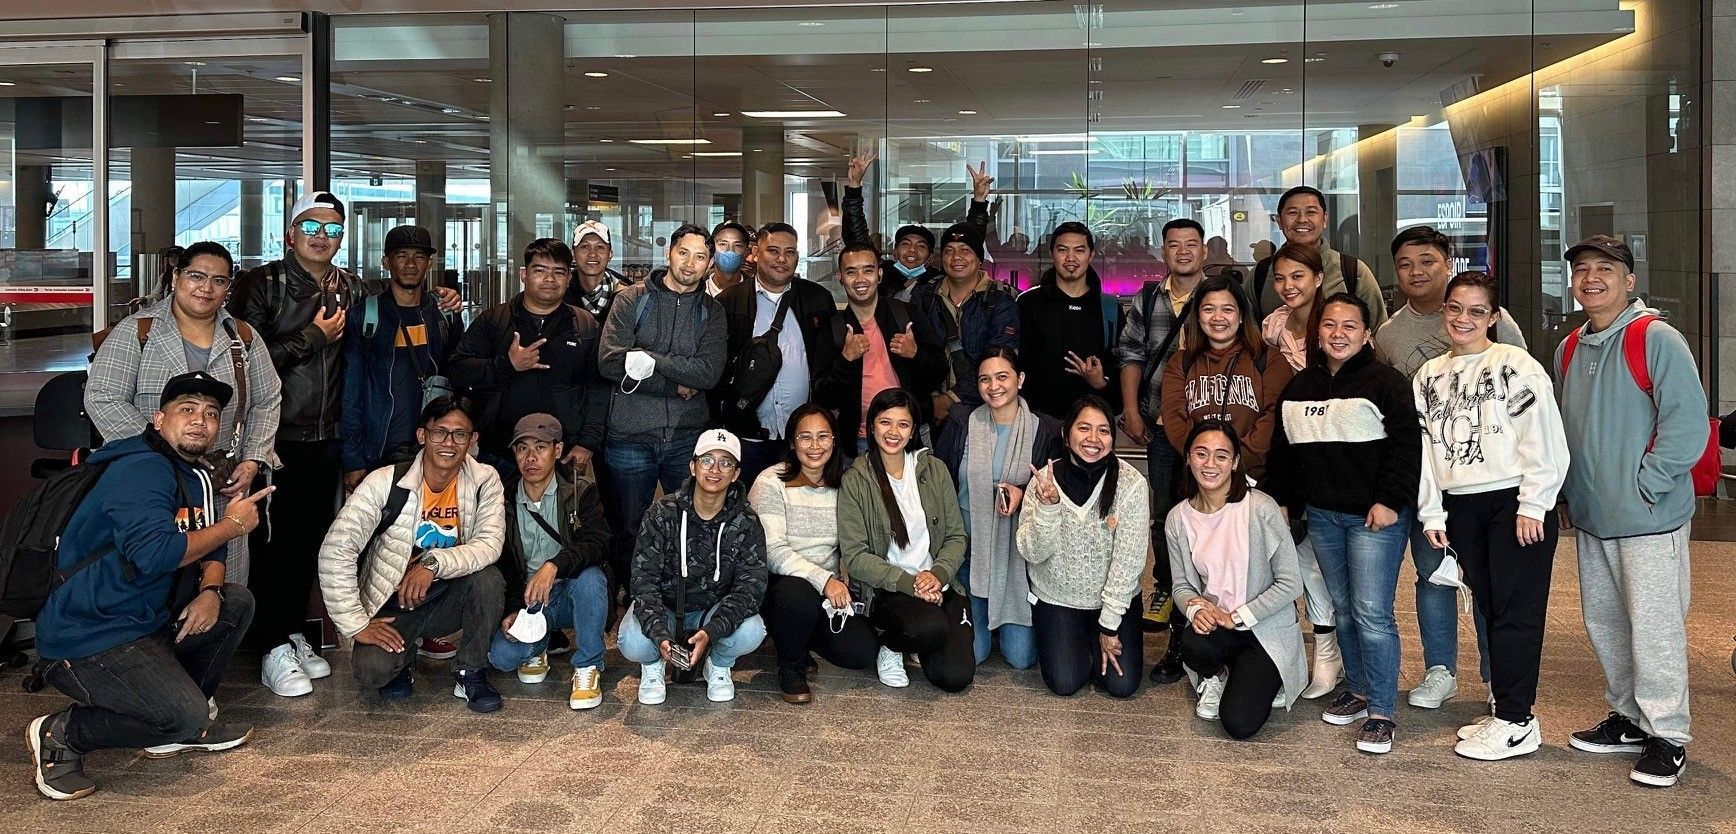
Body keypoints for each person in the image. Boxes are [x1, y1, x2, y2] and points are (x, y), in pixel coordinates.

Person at [229, 190, 459, 698]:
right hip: (274, 435)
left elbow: (395, 299)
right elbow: (240, 357)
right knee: (272, 543)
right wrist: (309, 337)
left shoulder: (349, 288)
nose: (322, 237)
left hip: (326, 435)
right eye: (312, 227)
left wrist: (439, 296)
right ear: (291, 233)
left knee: (310, 539)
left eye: (334, 230)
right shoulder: (262, 284)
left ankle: (289, 633)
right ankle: (269, 645)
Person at [28, 373, 268, 801]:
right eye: (187, 410)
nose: (201, 421)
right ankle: (62, 733)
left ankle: (175, 723)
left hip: (143, 623)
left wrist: (210, 591)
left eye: (211, 414)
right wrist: (233, 526)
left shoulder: (193, 473)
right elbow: (155, 556)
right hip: (89, 636)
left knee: (234, 603)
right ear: (158, 420)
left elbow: (205, 542)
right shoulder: (142, 469)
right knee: (182, 715)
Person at [1555, 235, 1706, 788]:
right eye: (1581, 270)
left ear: (1629, 280)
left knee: (1655, 627)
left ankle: (1667, 733)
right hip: (1594, 516)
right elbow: (1567, 433)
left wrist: (1650, 484)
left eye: (1605, 269)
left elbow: (1687, 424)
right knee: (1607, 623)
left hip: (1650, 516)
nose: (1591, 278)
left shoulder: (1656, 338)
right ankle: (1628, 718)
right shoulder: (1569, 348)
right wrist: (1570, 493)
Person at [1415, 271, 1568, 761]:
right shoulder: (1427, 375)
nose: (1464, 319)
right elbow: (1426, 452)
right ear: (1444, 311)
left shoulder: (1516, 365)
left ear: (1494, 317)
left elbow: (1545, 440)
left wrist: (1533, 503)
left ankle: (1518, 720)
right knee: (1491, 606)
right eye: (1455, 308)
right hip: (1462, 505)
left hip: (1514, 503)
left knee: (1517, 612)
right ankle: (1506, 709)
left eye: (1476, 311)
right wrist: (1432, 511)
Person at [1374, 226, 1524, 712]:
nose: (1416, 272)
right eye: (1405, 264)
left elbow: (1523, 399)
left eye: (1427, 261)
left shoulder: (1497, 324)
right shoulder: (1390, 334)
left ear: (1448, 263)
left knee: (1487, 578)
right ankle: (1441, 670)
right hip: (1427, 478)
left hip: (1489, 479)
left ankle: (1494, 674)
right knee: (1433, 573)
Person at [1266, 292, 1421, 754]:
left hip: (1374, 517)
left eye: (1349, 325)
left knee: (1373, 612)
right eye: (1330, 325)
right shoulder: (1300, 387)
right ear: (1318, 333)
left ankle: (1381, 710)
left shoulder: (1387, 383)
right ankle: (1356, 689)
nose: (1338, 333)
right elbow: (1285, 453)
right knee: (1343, 607)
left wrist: (1390, 500)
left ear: (1367, 333)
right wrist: (1283, 501)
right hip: (1323, 516)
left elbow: (1407, 446)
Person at [85, 242, 282, 584]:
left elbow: (268, 399)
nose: (206, 288)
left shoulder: (244, 338)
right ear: (176, 277)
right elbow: (102, 396)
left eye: (219, 281)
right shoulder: (138, 331)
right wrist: (164, 452)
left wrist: (252, 460)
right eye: (196, 276)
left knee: (224, 587)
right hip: (151, 482)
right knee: (154, 577)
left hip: (222, 484)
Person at [315, 395, 508, 713]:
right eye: (439, 432)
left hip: (447, 594)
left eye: (459, 434)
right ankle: (402, 659)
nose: (448, 443)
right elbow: (336, 550)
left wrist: (432, 563)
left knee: (488, 579)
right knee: (372, 672)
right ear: (422, 435)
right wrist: (356, 624)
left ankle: (470, 671)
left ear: (472, 440)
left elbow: (489, 544)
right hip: (393, 603)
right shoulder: (385, 481)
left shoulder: (484, 480)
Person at [598, 223, 730, 585]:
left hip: (686, 439)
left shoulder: (711, 312)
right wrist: (674, 386)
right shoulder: (631, 300)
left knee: (690, 523)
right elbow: (610, 361)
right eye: (683, 253)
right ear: (669, 253)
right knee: (630, 526)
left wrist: (646, 358)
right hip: (630, 435)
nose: (690, 264)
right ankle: (631, 593)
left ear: (709, 264)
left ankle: (679, 593)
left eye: (700, 257)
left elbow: (707, 374)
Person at [1166, 421, 1305, 740]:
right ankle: (1217, 674)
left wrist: (1236, 617)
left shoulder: (1260, 508)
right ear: (1188, 458)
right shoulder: (1178, 519)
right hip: (1218, 627)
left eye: (1220, 455)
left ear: (1235, 462)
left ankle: (1272, 675)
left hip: (1262, 628)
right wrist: (1194, 611)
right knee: (1192, 640)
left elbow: (1290, 583)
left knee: (1239, 724)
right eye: (1201, 454)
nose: (1210, 464)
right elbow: (1181, 586)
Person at [837, 388, 974, 693]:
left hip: (938, 583)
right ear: (872, 426)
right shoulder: (856, 479)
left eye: (903, 424)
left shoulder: (934, 470)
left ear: (914, 430)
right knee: (929, 627)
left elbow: (955, 536)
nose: (894, 432)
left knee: (955, 677)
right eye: (886, 422)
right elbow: (856, 556)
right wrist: (912, 584)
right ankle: (892, 644)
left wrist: (936, 576)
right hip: (891, 589)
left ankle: (922, 632)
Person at [618, 429, 768, 705]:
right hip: (666, 606)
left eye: (726, 463)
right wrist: (659, 633)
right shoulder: (662, 513)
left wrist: (713, 631)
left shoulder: (747, 521)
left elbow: (751, 589)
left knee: (752, 630)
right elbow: (643, 580)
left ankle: (719, 664)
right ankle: (653, 667)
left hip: (712, 609)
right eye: (707, 460)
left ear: (735, 474)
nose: (715, 469)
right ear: (693, 466)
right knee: (631, 641)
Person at [1117, 218, 1206, 673]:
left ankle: (1206, 604)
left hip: (1212, 433)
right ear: (1163, 252)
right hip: (1160, 429)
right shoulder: (1148, 297)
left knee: (1212, 518)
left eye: (1192, 244)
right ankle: (1167, 587)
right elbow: (1131, 354)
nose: (1184, 252)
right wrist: (1131, 411)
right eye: (1174, 245)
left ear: (1205, 251)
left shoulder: (1221, 297)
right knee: (1165, 513)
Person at [933, 348, 1059, 668]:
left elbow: (1054, 487)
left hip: (1015, 557)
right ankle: (979, 617)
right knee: (973, 656)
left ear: (1020, 379)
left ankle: (1003, 618)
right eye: (984, 379)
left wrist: (1025, 494)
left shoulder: (1043, 429)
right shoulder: (962, 423)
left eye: (1002, 377)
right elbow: (940, 481)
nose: (994, 386)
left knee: (1020, 658)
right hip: (968, 553)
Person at [1017, 395, 1149, 697]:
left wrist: (1109, 625)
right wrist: (1048, 508)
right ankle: (1078, 643)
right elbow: (1031, 552)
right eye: (1084, 428)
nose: (1093, 439)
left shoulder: (1131, 484)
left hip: (1114, 603)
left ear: (1113, 439)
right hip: (1058, 599)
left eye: (1103, 431)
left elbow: (1128, 563)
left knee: (1122, 685)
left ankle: (1093, 637)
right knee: (1064, 683)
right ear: (1066, 435)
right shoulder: (1044, 480)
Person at [1255, 241, 1341, 699]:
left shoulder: (1337, 321)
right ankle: (1307, 648)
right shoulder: (1271, 327)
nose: (1289, 287)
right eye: (1281, 279)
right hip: (1290, 451)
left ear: (1318, 278)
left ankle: (1334, 649)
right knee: (1295, 556)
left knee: (1327, 560)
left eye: (1298, 277)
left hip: (1334, 455)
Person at [749, 407, 878, 703]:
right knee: (798, 595)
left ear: (834, 440)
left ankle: (799, 639)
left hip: (825, 591)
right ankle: (790, 667)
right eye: (805, 438)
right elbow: (772, 551)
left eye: (823, 437)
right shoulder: (771, 482)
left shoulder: (844, 484)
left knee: (860, 651)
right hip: (780, 586)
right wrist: (825, 580)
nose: (815, 446)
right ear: (792, 443)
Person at [485, 414, 612, 710]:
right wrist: (512, 609)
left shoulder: (580, 491)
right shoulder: (501, 499)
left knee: (592, 578)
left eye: (540, 447)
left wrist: (554, 565)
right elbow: (501, 561)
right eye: (522, 448)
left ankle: (588, 666)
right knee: (501, 658)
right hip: (531, 602)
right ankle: (537, 645)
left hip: (573, 591)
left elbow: (597, 542)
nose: (530, 458)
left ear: (557, 450)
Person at [449, 237, 605, 478]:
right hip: (500, 453)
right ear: (524, 274)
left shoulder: (584, 325)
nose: (550, 279)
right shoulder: (495, 321)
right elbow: (458, 369)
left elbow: (599, 388)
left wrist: (587, 443)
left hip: (562, 453)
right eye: (540, 271)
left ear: (569, 278)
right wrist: (506, 365)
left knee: (560, 515)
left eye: (559, 272)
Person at [340, 225, 465, 489]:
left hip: (434, 448)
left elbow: (459, 377)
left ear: (429, 264)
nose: (410, 264)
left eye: (419, 257)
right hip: (379, 449)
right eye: (401, 256)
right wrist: (353, 458)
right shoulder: (366, 316)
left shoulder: (443, 314)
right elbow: (351, 392)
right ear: (386, 262)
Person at [714, 222, 839, 483]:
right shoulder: (728, 302)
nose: (782, 259)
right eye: (773, 251)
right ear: (755, 253)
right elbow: (719, 368)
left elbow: (827, 364)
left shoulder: (818, 299)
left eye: (790, 252)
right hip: (747, 438)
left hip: (802, 441)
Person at [814, 242, 947, 450]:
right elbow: (823, 396)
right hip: (859, 441)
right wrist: (845, 361)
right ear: (840, 278)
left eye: (868, 270)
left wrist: (916, 354)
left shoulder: (908, 316)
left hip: (911, 435)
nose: (860, 280)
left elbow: (939, 374)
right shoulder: (833, 329)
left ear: (880, 274)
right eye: (851, 272)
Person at [841, 150, 991, 300]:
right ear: (895, 252)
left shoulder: (939, 283)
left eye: (921, 246)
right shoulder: (879, 277)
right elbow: (857, 240)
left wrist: (979, 201)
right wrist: (854, 187)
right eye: (905, 244)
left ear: (930, 257)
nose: (912, 250)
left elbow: (971, 239)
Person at [911, 220, 1021, 423]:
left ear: (979, 258)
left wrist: (950, 399)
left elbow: (1000, 358)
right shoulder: (924, 296)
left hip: (983, 408)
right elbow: (917, 351)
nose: (956, 258)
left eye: (965, 250)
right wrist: (933, 398)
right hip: (929, 407)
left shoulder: (999, 301)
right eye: (949, 251)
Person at [1016, 222, 1120, 420]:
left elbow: (1124, 368)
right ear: (1052, 253)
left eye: (1079, 251)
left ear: (1091, 255)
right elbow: (1014, 361)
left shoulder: (1108, 308)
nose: (1070, 258)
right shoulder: (1028, 303)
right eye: (1062, 250)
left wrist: (1101, 382)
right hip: (1035, 421)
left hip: (1092, 424)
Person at [1250, 186, 1388, 326]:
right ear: (1279, 221)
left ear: (1324, 219)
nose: (1302, 219)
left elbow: (1378, 331)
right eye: (1293, 212)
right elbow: (1249, 331)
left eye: (1311, 212)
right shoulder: (1261, 272)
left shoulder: (1352, 271)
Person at [566, 219, 630, 320]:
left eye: (600, 247)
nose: (592, 254)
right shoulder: (560, 293)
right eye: (584, 247)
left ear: (610, 255)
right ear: (573, 254)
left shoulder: (627, 296)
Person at [706, 221, 752, 298]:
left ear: (746, 252)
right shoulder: (697, 290)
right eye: (723, 244)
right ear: (712, 249)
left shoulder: (755, 292)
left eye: (738, 245)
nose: (730, 250)